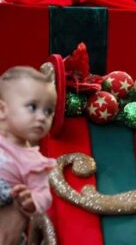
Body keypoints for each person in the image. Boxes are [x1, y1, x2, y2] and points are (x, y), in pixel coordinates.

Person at [0, 66, 57, 244]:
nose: (42, 117)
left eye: (48, 111)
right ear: (2, 110)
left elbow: (43, 194)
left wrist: (31, 201)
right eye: (32, 107)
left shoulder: (34, 162)